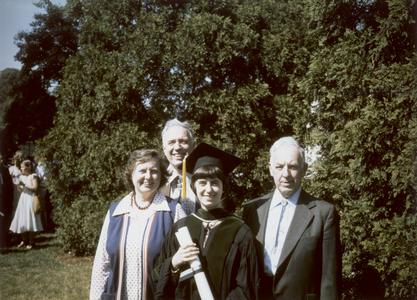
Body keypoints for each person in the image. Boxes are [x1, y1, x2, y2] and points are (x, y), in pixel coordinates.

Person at [155, 143, 260, 300]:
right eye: (202, 183)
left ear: (224, 187)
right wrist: (173, 263)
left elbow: (247, 287)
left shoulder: (240, 231)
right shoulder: (181, 227)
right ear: (194, 187)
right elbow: (157, 277)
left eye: (215, 183)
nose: (209, 189)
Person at [242, 136, 341, 300]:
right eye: (279, 167)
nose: (285, 174)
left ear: (304, 169)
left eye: (293, 167)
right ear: (270, 169)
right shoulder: (252, 210)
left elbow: (329, 278)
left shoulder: (323, 213)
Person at [90, 149, 184, 300]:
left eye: (154, 171)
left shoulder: (174, 211)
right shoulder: (116, 211)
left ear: (161, 176)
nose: (148, 177)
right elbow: (102, 264)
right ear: (131, 174)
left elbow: (185, 262)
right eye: (142, 170)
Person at [160, 118, 197, 219]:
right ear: (164, 148)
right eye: (171, 142)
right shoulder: (156, 183)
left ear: (193, 146)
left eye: (183, 141)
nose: (177, 147)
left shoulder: (205, 180)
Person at [9, 159, 43, 249]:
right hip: (23, 199)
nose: (21, 168)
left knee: (30, 219)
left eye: (22, 167)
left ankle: (31, 241)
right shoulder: (22, 177)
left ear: (28, 167)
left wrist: (24, 185)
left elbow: (35, 188)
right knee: (22, 219)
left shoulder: (34, 176)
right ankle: (24, 241)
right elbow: (21, 189)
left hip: (31, 199)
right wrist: (19, 186)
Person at [0, 154, 13, 253]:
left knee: (3, 220)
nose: (1, 160)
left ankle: (3, 243)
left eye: (1, 159)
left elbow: (8, 185)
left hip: (3, 198)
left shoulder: (5, 170)